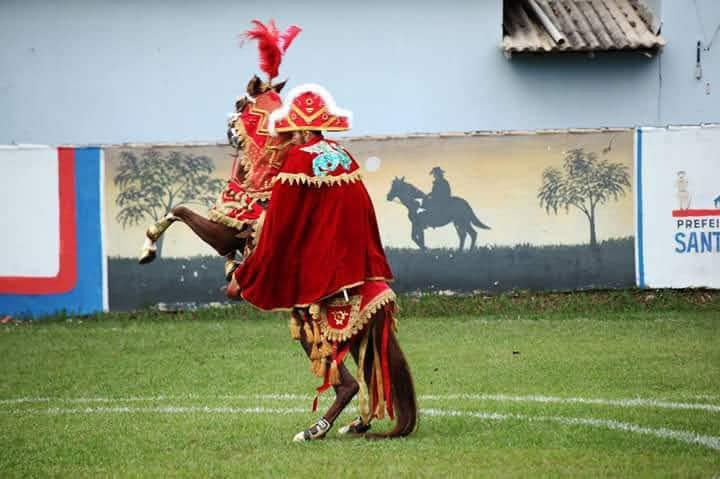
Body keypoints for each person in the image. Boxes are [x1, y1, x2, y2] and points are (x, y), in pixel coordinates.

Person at [227, 83, 393, 310]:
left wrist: (246, 274)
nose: (291, 139)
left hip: (325, 263)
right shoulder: (341, 151)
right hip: (357, 261)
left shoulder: (298, 158)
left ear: (305, 131)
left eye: (294, 133)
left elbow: (279, 224)